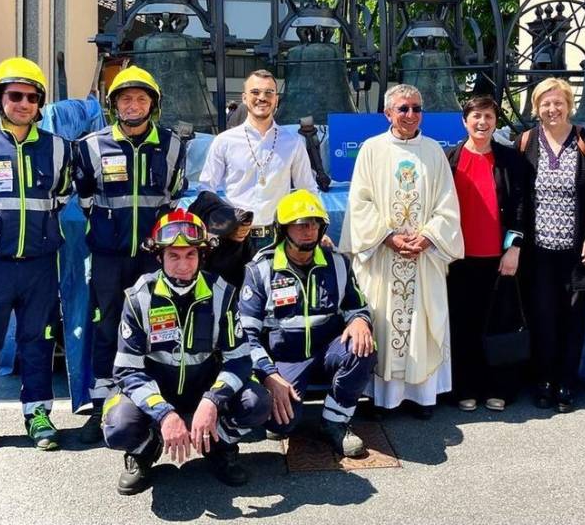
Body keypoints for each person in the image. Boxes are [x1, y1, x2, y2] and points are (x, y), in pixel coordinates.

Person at [101, 210, 270, 494]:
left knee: (257, 402)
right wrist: (164, 414)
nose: (183, 265)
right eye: (174, 256)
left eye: (190, 255)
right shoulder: (138, 297)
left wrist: (212, 401)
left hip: (204, 390)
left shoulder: (223, 294)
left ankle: (218, 445)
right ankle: (145, 450)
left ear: (201, 256)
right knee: (117, 427)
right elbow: (127, 370)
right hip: (157, 391)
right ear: (159, 258)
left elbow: (240, 360)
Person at [0, 58, 72, 460]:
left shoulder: (58, 148)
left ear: (40, 103)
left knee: (38, 341)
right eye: (15, 95)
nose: (24, 103)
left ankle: (38, 414)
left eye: (32, 97)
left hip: (40, 264)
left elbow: (62, 197)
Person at [72, 65, 188, 443]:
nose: (133, 104)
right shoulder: (90, 146)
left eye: (141, 98)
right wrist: (110, 229)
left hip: (153, 259)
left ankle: (154, 403)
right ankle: (104, 404)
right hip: (109, 256)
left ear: (152, 105)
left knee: (157, 327)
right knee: (106, 327)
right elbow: (86, 199)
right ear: (114, 105)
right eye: (126, 98)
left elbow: (171, 197)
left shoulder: (172, 145)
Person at [339, 84, 464, 417]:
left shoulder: (434, 151)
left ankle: (422, 397)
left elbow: (447, 205)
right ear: (388, 113)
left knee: (422, 324)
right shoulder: (371, 149)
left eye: (416, 108)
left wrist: (429, 237)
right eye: (403, 109)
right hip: (383, 254)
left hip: (422, 256)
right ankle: (384, 399)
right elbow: (360, 202)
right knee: (382, 323)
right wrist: (386, 236)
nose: (410, 115)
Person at [239, 189, 376, 457]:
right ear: (283, 229)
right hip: (284, 362)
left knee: (364, 347)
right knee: (282, 425)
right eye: (301, 225)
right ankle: (283, 413)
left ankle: (335, 421)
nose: (308, 231)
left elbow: (356, 305)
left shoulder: (337, 263)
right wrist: (269, 375)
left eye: (314, 224)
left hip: (328, 352)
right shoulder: (260, 270)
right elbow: (246, 336)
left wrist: (360, 320)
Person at [518, 77, 585, 413]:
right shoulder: (527, 141)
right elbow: (519, 196)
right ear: (536, 107)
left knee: (573, 319)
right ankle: (543, 381)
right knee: (543, 317)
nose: (552, 109)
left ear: (569, 105)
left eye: (558, 103)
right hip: (538, 251)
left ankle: (566, 382)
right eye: (545, 103)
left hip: (577, 252)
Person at [445, 96, 526, 412]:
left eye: (489, 116)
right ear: (465, 120)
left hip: (498, 257)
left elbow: (520, 206)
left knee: (498, 325)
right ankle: (466, 387)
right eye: (476, 116)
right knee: (463, 325)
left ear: (496, 121)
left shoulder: (509, 159)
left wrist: (514, 248)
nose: (482, 122)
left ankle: (499, 388)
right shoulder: (449, 158)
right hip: (459, 258)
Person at [199, 69, 317, 252]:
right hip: (234, 239)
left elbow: (307, 190)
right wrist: (222, 224)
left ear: (276, 99)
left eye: (269, 92)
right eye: (255, 92)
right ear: (244, 98)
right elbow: (206, 191)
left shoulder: (293, 143)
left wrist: (318, 229)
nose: (262, 97)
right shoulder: (224, 141)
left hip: (278, 239)